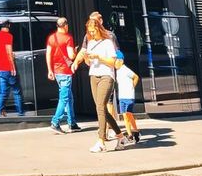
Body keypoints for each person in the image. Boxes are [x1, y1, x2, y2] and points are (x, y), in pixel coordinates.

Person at [72, 16, 122, 153]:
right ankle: (120, 135)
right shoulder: (90, 42)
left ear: (99, 29)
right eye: (90, 32)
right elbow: (88, 63)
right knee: (102, 109)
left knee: (100, 106)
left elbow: (112, 62)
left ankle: (101, 141)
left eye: (93, 31)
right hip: (93, 75)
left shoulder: (107, 42)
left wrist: (99, 57)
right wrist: (86, 59)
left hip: (106, 75)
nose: (91, 34)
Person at [46, 17, 81, 133]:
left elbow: (48, 54)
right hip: (65, 72)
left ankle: (72, 123)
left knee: (69, 98)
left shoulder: (52, 37)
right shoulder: (68, 38)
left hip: (56, 72)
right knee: (64, 98)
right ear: (65, 25)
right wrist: (75, 51)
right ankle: (55, 122)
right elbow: (71, 56)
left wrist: (50, 70)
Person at [0, 20, 23, 117]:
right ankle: (20, 112)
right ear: (8, 26)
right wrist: (12, 66)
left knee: (2, 92)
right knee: (17, 91)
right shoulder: (9, 36)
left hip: (0, 68)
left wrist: (1, 56)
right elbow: (9, 52)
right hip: (8, 67)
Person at [115, 52, 141, 144]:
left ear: (121, 61)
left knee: (128, 114)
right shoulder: (117, 71)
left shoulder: (125, 70)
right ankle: (130, 134)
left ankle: (136, 131)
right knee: (125, 115)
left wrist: (132, 87)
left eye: (115, 60)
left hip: (128, 96)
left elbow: (136, 77)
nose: (114, 63)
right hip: (121, 96)